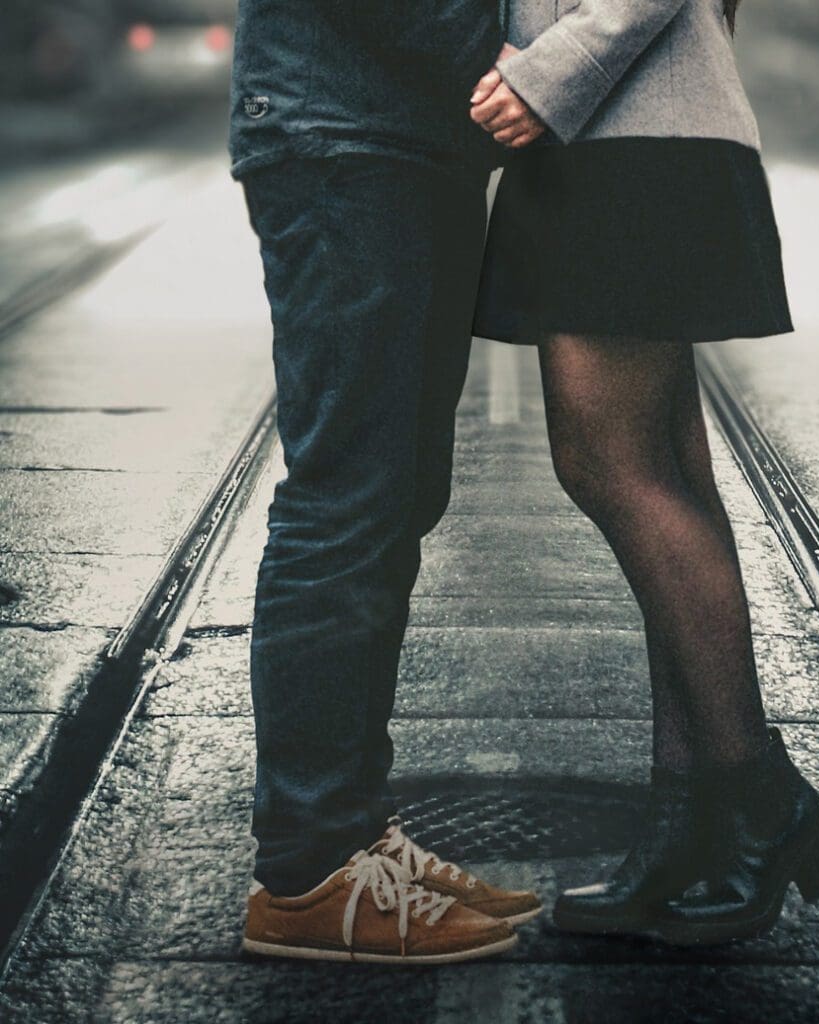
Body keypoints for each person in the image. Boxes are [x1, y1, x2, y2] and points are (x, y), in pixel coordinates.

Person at [470, 0, 819, 945]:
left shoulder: (583, 92)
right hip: (625, 131)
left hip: (624, 135)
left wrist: (545, 74)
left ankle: (760, 793)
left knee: (609, 466)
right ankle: (689, 827)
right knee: (669, 476)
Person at [229, 1, 540, 964]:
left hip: (404, 139)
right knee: (347, 498)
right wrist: (511, 59)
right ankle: (309, 870)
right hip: (346, 139)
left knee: (396, 495)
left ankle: (352, 836)